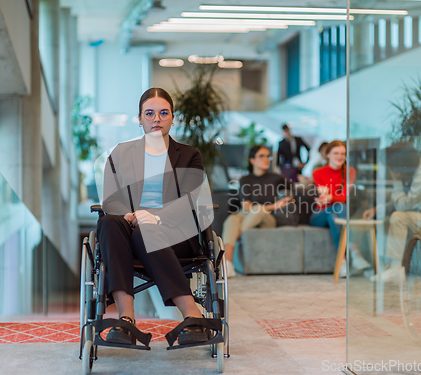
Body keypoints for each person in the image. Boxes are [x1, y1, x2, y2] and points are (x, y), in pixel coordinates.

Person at [97, 87, 211, 346]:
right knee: (108, 222)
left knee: (147, 231)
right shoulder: (120, 154)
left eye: (163, 113)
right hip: (130, 227)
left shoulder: (190, 155)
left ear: (173, 117)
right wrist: (130, 214)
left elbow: (191, 198)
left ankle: (191, 315)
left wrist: (156, 218)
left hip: (176, 233)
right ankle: (126, 319)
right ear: (139, 119)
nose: (156, 119)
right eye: (149, 113)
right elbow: (110, 200)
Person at [363, 142, 421, 282]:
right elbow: (402, 201)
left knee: (399, 218)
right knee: (387, 219)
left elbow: (403, 205)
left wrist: (396, 182)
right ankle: (386, 266)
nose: (390, 170)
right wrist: (377, 210)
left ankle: (395, 268)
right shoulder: (413, 174)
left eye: (391, 167)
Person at [222, 145, 297, 277]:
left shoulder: (275, 178)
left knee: (259, 209)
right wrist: (275, 205)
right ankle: (228, 265)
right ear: (252, 160)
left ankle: (237, 234)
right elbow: (246, 208)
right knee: (232, 219)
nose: (267, 159)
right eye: (262, 156)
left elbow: (295, 189)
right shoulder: (245, 180)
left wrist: (287, 200)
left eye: (268, 156)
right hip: (247, 215)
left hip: (267, 219)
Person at [310, 140, 368, 276]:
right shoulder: (318, 173)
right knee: (339, 207)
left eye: (343, 153)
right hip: (319, 214)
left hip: (336, 213)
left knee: (334, 215)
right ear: (328, 155)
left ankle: (342, 263)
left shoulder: (350, 171)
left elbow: (346, 196)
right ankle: (355, 252)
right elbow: (329, 199)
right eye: (336, 153)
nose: (340, 157)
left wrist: (330, 197)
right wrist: (330, 198)